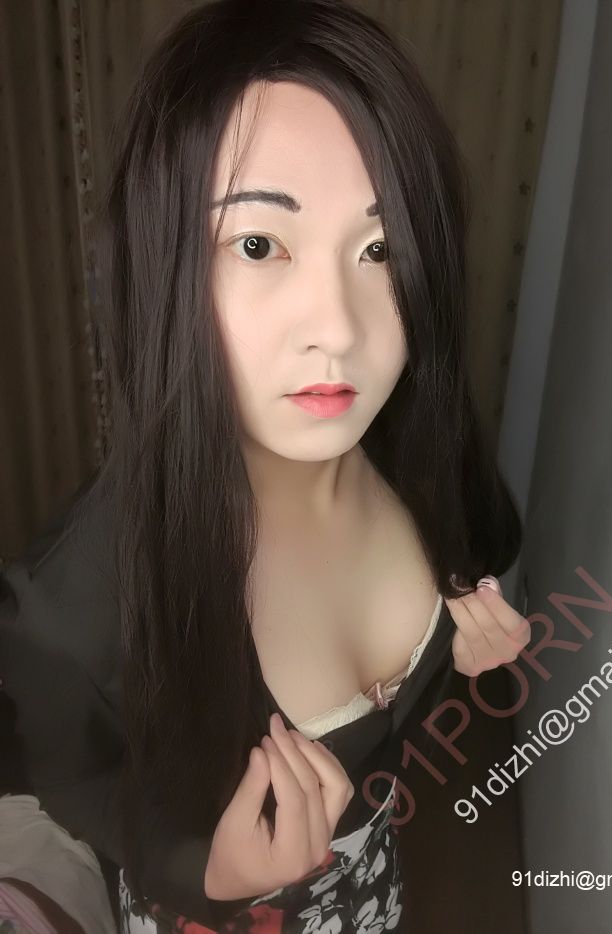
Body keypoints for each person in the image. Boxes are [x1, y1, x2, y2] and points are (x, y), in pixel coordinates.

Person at [0, 0, 530, 930]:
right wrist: (204, 867)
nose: (337, 328)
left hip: (374, 889)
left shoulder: (432, 459)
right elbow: (77, 781)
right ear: (164, 264)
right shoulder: (76, 602)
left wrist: (466, 651)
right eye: (258, 244)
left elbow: (476, 557)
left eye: (381, 249)